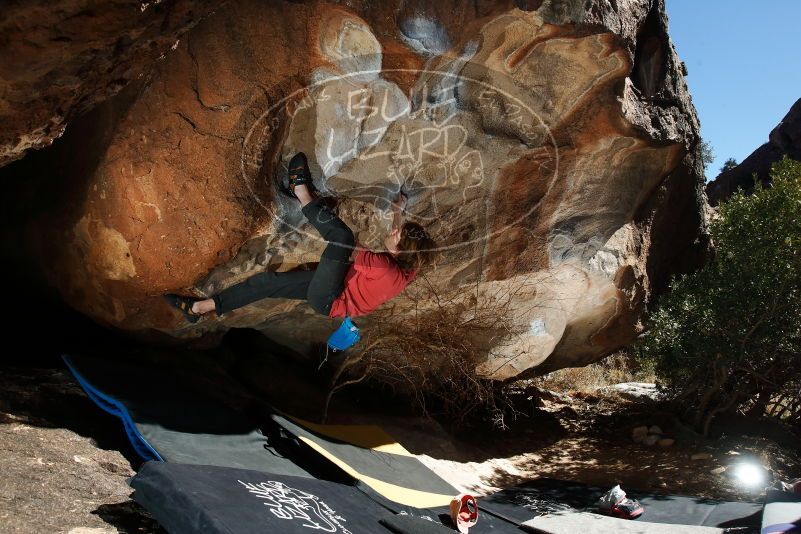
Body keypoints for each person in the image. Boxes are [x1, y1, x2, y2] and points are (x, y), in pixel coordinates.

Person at [164, 152, 436, 323]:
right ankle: (198, 308)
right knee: (268, 282)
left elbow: (347, 248)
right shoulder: (408, 267)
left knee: (341, 235)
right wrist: (398, 213)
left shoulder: (385, 268)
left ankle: (301, 191)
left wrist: (324, 210)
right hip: (334, 293)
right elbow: (409, 249)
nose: (393, 231)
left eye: (397, 234)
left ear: (399, 252)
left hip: (329, 298)